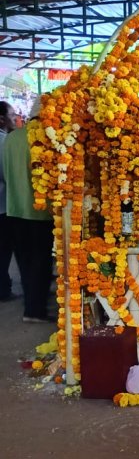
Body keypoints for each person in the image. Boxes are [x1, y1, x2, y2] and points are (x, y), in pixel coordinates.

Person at [3, 104, 55, 322]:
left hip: (13, 209)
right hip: (39, 213)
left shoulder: (11, 138)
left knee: (24, 262)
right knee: (40, 262)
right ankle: (36, 310)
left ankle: (31, 306)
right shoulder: (47, 137)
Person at [0, 100, 17, 302]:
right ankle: (3, 290)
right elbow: (6, 174)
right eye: (12, 114)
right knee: (4, 250)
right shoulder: (3, 141)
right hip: (3, 205)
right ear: (2, 119)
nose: (16, 118)